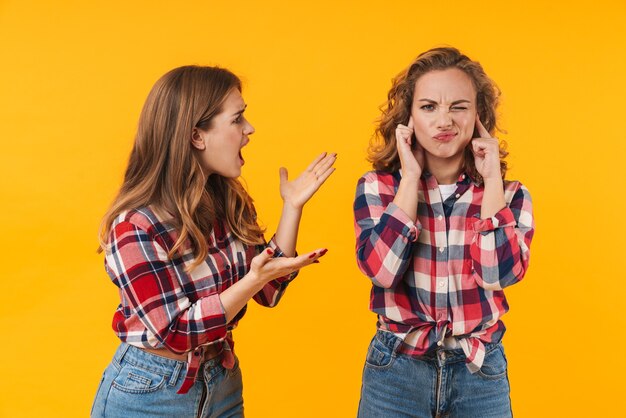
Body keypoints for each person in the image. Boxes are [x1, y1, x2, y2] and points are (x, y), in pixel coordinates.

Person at [91, 65, 336, 417]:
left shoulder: (228, 202)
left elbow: (268, 289)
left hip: (221, 380)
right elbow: (176, 332)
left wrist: (292, 208)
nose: (249, 129)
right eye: (238, 119)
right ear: (196, 137)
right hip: (149, 392)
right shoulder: (135, 227)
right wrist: (255, 279)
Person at [354, 47, 534, 417]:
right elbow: (381, 272)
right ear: (408, 118)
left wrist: (492, 180)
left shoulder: (510, 195)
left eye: (459, 106)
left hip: (479, 371)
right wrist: (411, 180)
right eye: (429, 106)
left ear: (478, 115)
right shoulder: (379, 188)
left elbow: (496, 275)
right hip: (396, 369)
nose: (444, 121)